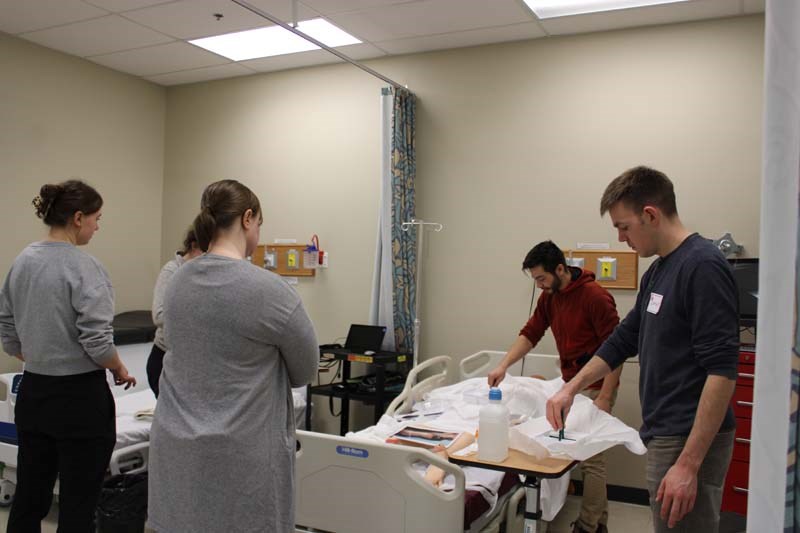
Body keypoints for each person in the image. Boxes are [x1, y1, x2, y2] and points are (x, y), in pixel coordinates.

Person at [546, 166, 739, 533]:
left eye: (623, 227)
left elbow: (723, 370)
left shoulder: (702, 267)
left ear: (650, 215)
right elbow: (624, 338)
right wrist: (570, 388)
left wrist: (689, 464)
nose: (621, 239)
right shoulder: (659, 271)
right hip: (665, 431)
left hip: (687, 437)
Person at [147, 179, 319, 533]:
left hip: (178, 448)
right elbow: (305, 370)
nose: (257, 233)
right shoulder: (271, 291)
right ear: (247, 218)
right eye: (259, 225)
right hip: (243, 455)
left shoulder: (178, 282)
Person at [0, 180, 136, 532]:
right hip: (79, 401)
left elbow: (6, 325)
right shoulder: (85, 267)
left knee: (30, 496)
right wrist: (118, 367)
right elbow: (97, 340)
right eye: (96, 218)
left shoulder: (22, 262)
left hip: (35, 393)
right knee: (78, 502)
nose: (97, 226)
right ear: (78, 218)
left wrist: (32, 353)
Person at [487, 240, 620, 533]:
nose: (540, 285)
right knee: (584, 454)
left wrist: (606, 397)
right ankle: (600, 525)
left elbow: (617, 349)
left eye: (542, 279)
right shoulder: (550, 298)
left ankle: (588, 526)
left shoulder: (595, 297)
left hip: (597, 383)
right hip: (570, 382)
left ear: (560, 269)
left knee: (591, 459)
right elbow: (531, 333)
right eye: (535, 280)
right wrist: (503, 365)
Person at [146, 228, 202, 397]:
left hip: (190, 360)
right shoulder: (172, 270)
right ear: (193, 246)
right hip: (164, 357)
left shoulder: (202, 273)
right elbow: (159, 315)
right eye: (205, 251)